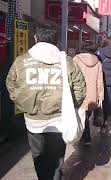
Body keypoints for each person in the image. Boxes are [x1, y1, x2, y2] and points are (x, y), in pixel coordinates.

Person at [6, 24, 86, 180]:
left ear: (35, 38)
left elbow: (11, 85)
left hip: (33, 120)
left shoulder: (21, 61)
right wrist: (71, 107)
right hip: (60, 119)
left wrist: (25, 105)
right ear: (56, 41)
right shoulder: (67, 62)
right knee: (57, 157)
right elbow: (80, 88)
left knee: (38, 156)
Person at [73, 48, 104, 146]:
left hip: (79, 92)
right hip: (92, 94)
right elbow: (100, 81)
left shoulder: (75, 60)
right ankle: (85, 137)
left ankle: (86, 138)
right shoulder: (97, 62)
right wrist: (101, 96)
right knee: (87, 115)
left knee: (82, 116)